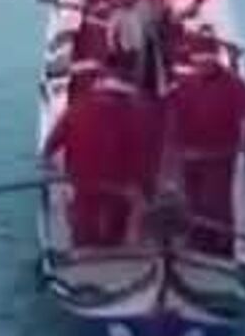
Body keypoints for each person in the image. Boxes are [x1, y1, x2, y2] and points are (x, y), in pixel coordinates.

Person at [165, 48, 245, 256]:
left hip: (219, 155)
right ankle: (197, 241)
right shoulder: (185, 84)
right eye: (199, 62)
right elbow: (167, 109)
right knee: (193, 201)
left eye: (206, 61)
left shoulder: (234, 85)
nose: (202, 65)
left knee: (217, 202)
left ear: (214, 61)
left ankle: (221, 245)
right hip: (189, 155)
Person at [42, 74, 160, 249]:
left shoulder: (77, 108)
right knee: (117, 216)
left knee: (85, 216)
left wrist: (47, 157)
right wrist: (147, 187)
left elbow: (54, 140)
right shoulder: (134, 115)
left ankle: (83, 248)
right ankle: (112, 246)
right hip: (118, 181)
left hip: (83, 177)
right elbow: (142, 154)